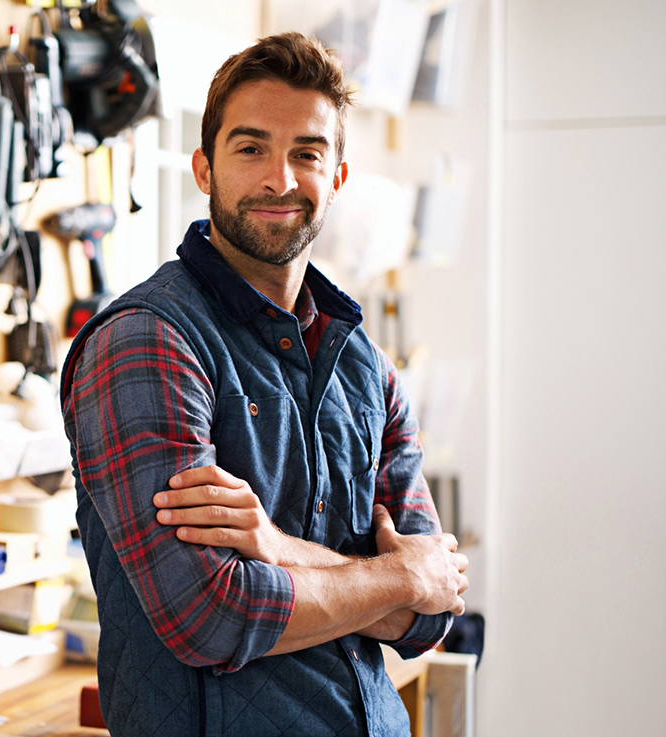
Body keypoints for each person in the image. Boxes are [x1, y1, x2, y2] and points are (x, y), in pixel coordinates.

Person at [61, 32, 468, 737]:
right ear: (204, 168)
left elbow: (432, 618)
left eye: (307, 153)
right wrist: (399, 578)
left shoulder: (364, 365)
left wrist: (276, 550)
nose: (280, 178)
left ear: (337, 175)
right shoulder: (146, 343)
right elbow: (211, 616)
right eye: (250, 148)